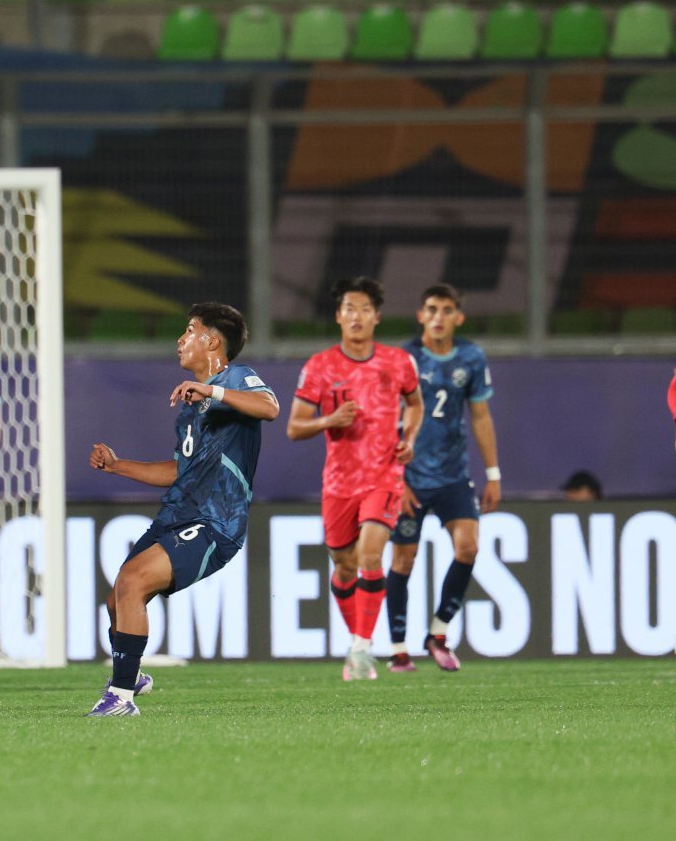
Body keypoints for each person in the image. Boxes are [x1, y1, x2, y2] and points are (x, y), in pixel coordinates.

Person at [86, 304, 278, 717]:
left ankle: (121, 698)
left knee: (134, 581)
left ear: (212, 341)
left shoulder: (235, 378)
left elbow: (269, 407)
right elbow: (179, 469)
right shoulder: (193, 406)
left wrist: (213, 390)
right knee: (117, 598)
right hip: (177, 514)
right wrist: (118, 465)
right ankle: (131, 673)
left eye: (189, 331)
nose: (180, 339)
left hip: (215, 521)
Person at [287, 277, 424, 682]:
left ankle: (361, 650)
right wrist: (329, 420)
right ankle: (357, 644)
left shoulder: (398, 362)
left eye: (364, 309)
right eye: (349, 308)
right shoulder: (319, 366)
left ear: (376, 317)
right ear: (338, 316)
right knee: (345, 567)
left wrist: (410, 437)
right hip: (339, 484)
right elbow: (294, 427)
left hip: (384, 475)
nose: (357, 316)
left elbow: (415, 404)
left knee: (369, 554)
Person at [386, 284, 500, 674]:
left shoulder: (471, 357)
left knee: (468, 547)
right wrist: (394, 477)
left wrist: (493, 474)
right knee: (404, 557)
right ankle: (399, 649)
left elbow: (481, 416)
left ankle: (437, 634)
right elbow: (387, 417)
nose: (438, 317)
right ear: (420, 316)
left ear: (458, 317)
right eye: (431, 309)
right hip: (411, 476)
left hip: (453, 474)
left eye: (446, 310)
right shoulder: (404, 358)